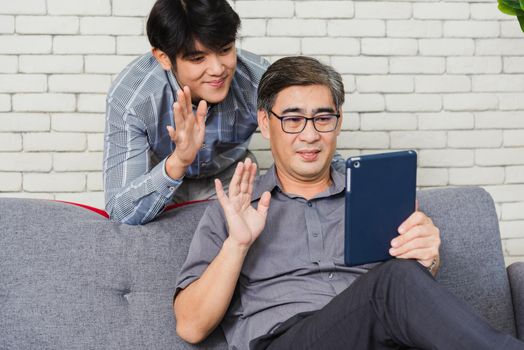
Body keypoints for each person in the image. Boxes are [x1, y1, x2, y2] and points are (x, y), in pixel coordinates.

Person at [173, 56, 524, 350]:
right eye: (293, 119)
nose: (310, 135)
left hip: (381, 338)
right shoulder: (236, 206)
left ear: (338, 121)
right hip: (287, 340)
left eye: (323, 118)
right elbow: (190, 326)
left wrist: (427, 262)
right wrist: (237, 244)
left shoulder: (376, 195)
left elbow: (404, 298)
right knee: (394, 282)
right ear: (266, 123)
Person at [103, 0, 269, 225]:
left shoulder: (260, 80)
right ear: (163, 57)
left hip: (232, 177)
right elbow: (121, 212)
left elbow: (310, 139)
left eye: (225, 50)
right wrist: (179, 160)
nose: (218, 69)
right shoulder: (133, 98)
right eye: (198, 58)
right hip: (163, 179)